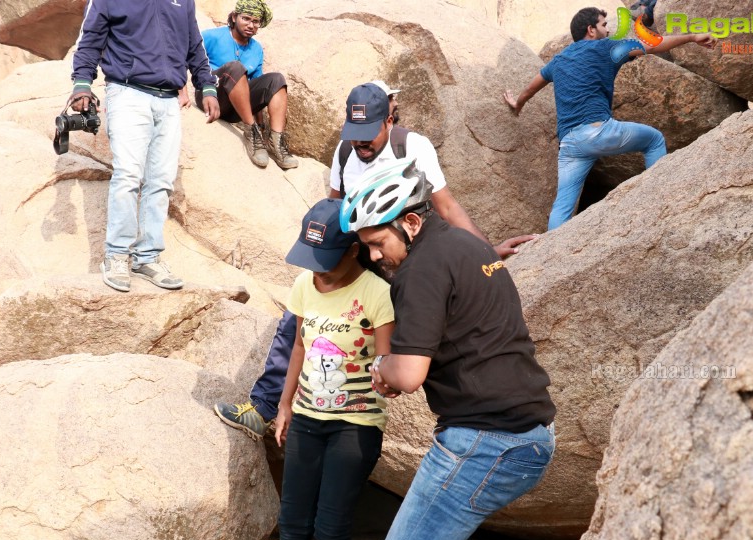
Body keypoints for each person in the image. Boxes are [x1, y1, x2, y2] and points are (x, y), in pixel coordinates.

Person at [213, 82, 536, 438]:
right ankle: (264, 406)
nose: (360, 143)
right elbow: (334, 208)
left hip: (403, 252)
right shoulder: (345, 152)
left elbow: (445, 206)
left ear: (389, 121)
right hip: (360, 251)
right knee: (300, 312)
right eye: (354, 135)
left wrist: (484, 252)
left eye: (368, 134)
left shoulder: (412, 146)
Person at [340, 159, 557, 540]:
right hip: (527, 435)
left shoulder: (419, 270)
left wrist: (380, 368)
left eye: (377, 243)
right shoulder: (471, 245)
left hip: (486, 439)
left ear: (410, 223)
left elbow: (410, 373)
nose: (374, 256)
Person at [251, 198, 394, 540]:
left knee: (331, 525)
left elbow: (389, 363)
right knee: (292, 521)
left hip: (356, 424)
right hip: (309, 417)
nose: (317, 272)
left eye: (326, 260)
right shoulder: (303, 286)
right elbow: (298, 344)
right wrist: (285, 403)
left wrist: (386, 377)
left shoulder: (377, 292)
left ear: (354, 249)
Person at [502, 7, 716, 230]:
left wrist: (518, 103)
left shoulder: (559, 60)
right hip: (598, 131)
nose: (608, 29)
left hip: (570, 144)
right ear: (591, 30)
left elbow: (531, 87)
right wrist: (691, 37)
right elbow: (651, 44)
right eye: (604, 25)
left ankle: (549, 255)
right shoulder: (606, 47)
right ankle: (658, 203)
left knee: (562, 207)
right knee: (654, 140)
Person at [70, 0, 220, 292]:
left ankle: (147, 257)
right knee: (128, 175)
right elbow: (90, 42)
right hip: (127, 93)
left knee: (162, 181)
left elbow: (194, 47)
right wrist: (82, 83)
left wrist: (207, 85)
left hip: (168, 100)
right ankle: (116, 257)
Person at [194, 0, 298, 169]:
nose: (251, 25)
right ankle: (251, 132)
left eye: (255, 21)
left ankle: (275, 142)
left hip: (235, 108)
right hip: (210, 97)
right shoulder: (212, 36)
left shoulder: (256, 49)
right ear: (234, 17)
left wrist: (261, 126)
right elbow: (186, 58)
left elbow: (258, 87)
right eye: (246, 19)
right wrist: (180, 91)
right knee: (235, 67)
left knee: (277, 79)